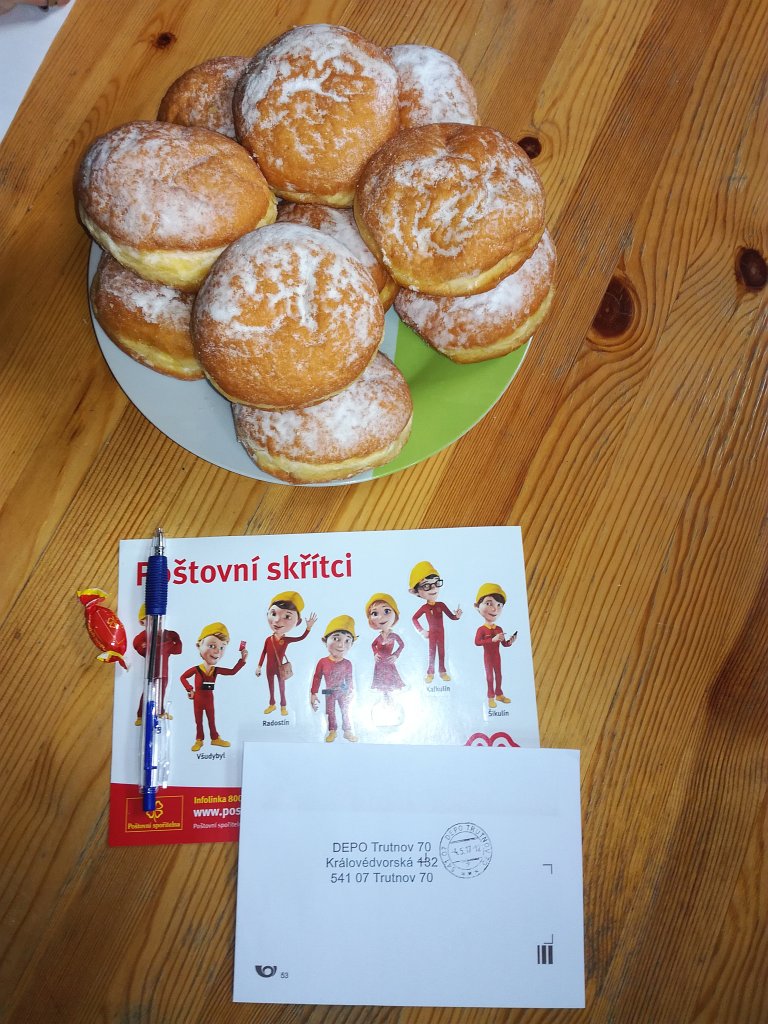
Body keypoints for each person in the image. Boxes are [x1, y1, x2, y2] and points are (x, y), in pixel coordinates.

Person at [180, 622, 247, 751]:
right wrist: (189, 689)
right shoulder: (196, 669)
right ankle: (199, 740)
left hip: (209, 698)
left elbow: (232, 672)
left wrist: (242, 660)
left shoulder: (216, 670)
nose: (217, 651)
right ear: (199, 646)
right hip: (198, 699)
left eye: (222, 647)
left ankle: (215, 738)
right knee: (198, 720)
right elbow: (183, 677)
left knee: (211, 719)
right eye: (212, 646)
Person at [255, 591, 316, 716]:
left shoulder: (286, 640)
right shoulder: (268, 639)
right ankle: (272, 704)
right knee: (271, 687)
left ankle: (283, 706)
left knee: (282, 688)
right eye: (273, 614)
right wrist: (259, 666)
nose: (277, 620)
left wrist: (308, 628)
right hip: (268, 668)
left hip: (280, 668)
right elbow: (263, 653)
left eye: (287, 616)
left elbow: (300, 638)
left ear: (297, 622)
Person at [409, 560, 462, 682]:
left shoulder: (441, 605)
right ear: (416, 591)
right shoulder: (424, 608)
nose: (433, 588)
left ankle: (442, 672)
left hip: (441, 633)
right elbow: (414, 618)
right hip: (432, 634)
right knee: (432, 653)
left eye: (436, 583)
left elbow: (452, 617)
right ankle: (430, 673)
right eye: (426, 585)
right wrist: (421, 631)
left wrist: (457, 616)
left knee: (442, 653)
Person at [310, 616, 358, 743]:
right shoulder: (322, 662)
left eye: (347, 640)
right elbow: (317, 677)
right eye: (336, 639)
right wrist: (313, 693)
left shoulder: (347, 663)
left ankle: (347, 731)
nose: (341, 645)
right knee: (330, 712)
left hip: (343, 692)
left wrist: (351, 691)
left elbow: (349, 679)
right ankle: (332, 731)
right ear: (325, 640)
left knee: (345, 711)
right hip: (329, 692)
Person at [133, 603, 182, 726]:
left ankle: (160, 712)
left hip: (163, 671)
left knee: (162, 691)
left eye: (158, 620)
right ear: (142, 622)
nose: (156, 624)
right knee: (147, 692)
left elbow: (178, 650)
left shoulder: (168, 635)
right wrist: (166, 645)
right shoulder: (142, 637)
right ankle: (141, 715)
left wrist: (172, 641)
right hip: (150, 672)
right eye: (150, 620)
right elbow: (141, 649)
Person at [474, 583, 517, 708]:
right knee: (489, 677)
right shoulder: (481, 629)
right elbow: (477, 642)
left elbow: (504, 644)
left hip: (497, 657)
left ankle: (499, 694)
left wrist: (510, 641)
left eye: (499, 605)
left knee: (499, 675)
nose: (495, 609)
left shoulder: (499, 629)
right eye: (489, 603)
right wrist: (492, 640)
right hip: (488, 657)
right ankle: (490, 697)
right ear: (477, 607)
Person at [366, 593, 405, 699]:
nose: (381, 617)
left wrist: (395, 655)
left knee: (390, 680)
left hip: (388, 661)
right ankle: (385, 697)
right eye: (375, 613)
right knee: (381, 683)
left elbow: (402, 645)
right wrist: (375, 654)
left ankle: (390, 698)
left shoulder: (394, 635)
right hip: (379, 662)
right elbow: (373, 645)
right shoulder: (378, 637)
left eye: (386, 611)